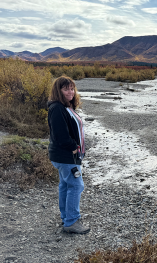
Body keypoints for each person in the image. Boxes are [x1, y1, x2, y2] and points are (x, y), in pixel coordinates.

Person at [47, 75, 90, 234]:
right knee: (76, 185)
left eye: (72, 88)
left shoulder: (66, 107)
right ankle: (72, 221)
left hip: (64, 156)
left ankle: (67, 218)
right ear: (58, 91)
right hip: (66, 156)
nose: (70, 92)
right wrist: (73, 147)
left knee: (66, 185)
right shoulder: (57, 108)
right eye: (66, 89)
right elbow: (60, 135)